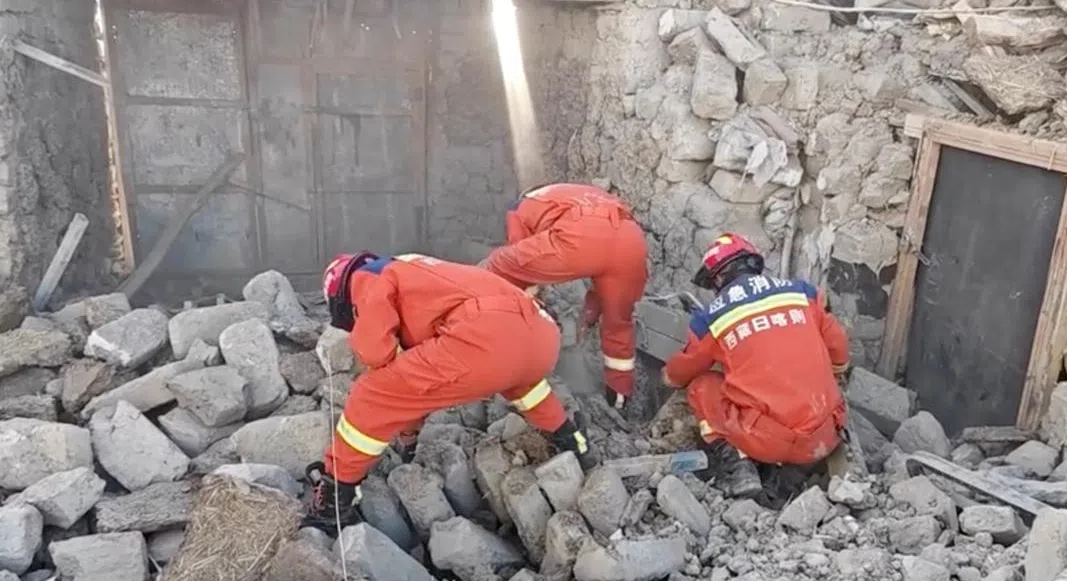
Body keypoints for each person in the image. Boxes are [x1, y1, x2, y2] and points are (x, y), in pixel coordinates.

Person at [304, 251, 597, 532]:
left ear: (339, 298)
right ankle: (572, 440)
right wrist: (408, 437)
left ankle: (334, 496)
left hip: (485, 335)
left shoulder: (365, 277)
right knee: (526, 386)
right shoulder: (417, 270)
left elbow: (377, 356)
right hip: (540, 334)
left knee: (371, 394)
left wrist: (370, 358)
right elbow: (414, 382)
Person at [663, 234, 851, 499]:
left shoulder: (713, 318)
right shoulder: (804, 293)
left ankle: (738, 465)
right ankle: (797, 472)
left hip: (767, 442)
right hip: (826, 435)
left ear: (717, 279)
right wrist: (837, 374)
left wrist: (668, 377)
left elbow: (682, 371)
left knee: (701, 387)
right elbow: (838, 345)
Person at [481, 183, 648, 412]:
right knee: (618, 320)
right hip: (631, 239)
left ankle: (493, 344)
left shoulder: (521, 206)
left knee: (500, 263)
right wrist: (589, 315)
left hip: (580, 237)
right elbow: (604, 261)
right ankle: (619, 395)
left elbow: (520, 262)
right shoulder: (580, 194)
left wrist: (534, 303)